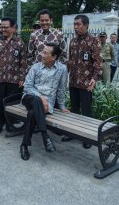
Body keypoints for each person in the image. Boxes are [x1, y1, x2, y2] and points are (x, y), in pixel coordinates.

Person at [20, 43, 69, 160]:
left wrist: (62, 106)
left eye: (45, 52)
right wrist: (41, 97)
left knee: (32, 114)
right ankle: (44, 134)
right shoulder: (35, 67)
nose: (42, 54)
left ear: (54, 57)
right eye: (42, 51)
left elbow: (61, 89)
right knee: (37, 100)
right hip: (30, 98)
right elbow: (27, 86)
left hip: (46, 104)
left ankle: (24, 145)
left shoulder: (62, 69)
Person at [62, 15, 102, 146]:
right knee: (74, 109)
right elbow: (70, 61)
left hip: (86, 84)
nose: (75, 27)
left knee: (86, 111)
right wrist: (65, 77)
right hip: (73, 81)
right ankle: (73, 133)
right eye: (74, 24)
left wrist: (94, 79)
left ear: (86, 25)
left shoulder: (93, 41)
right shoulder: (72, 41)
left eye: (78, 24)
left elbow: (98, 62)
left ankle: (87, 138)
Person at [0, 17, 27, 136]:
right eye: (1, 27)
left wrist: (22, 77)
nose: (2, 29)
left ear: (13, 28)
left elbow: (23, 62)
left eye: (5, 27)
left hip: (14, 79)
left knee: (12, 103)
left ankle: (10, 124)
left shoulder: (19, 42)